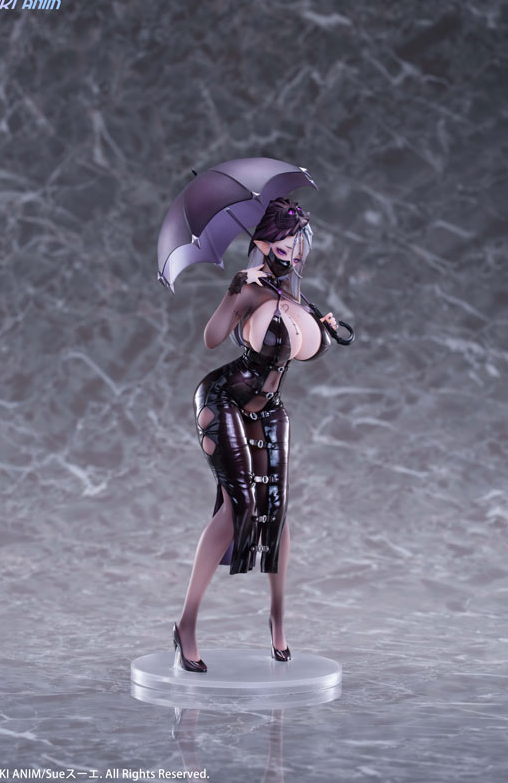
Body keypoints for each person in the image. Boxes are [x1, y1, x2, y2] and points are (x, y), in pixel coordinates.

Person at [172, 197, 338, 673]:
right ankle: (186, 625)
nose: (294, 252)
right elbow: (211, 338)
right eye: (285, 243)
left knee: (277, 511)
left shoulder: (294, 295)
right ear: (263, 243)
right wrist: (232, 291)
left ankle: (278, 622)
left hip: (269, 409)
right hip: (224, 398)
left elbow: (301, 348)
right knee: (239, 505)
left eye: (299, 243)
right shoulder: (250, 288)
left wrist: (323, 330)